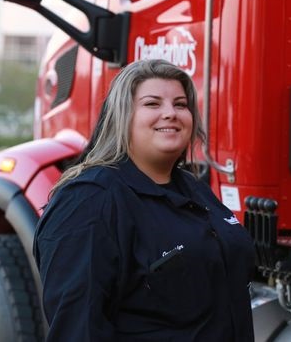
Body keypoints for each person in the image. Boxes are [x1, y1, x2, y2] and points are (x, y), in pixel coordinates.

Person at [33, 59, 255, 341]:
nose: (170, 114)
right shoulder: (88, 202)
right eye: (152, 104)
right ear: (122, 116)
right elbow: (78, 329)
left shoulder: (193, 188)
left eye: (180, 104)